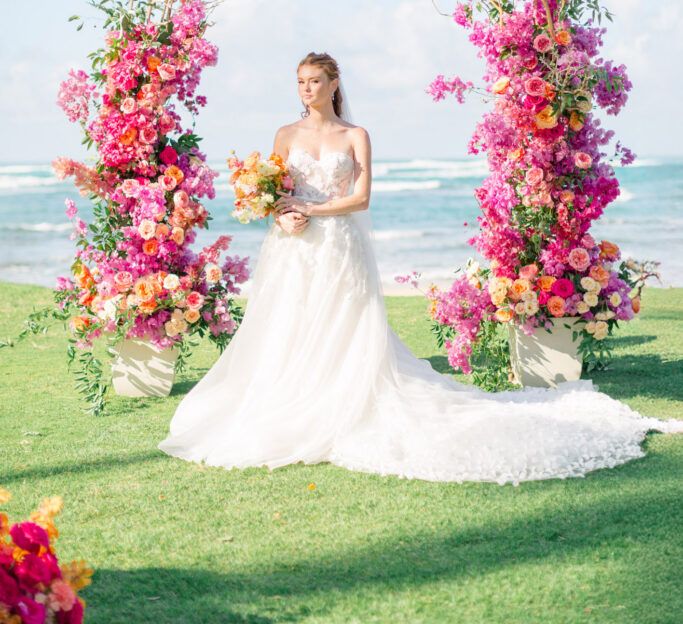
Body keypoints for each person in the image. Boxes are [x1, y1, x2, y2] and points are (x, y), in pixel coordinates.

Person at [158, 52, 680, 483]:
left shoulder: (355, 134)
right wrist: (283, 213)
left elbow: (360, 198)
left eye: (315, 81)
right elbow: (275, 192)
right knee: (292, 320)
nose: (306, 90)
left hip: (340, 241)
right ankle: (289, 397)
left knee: (341, 321)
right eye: (300, 82)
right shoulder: (285, 134)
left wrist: (312, 210)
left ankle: (341, 399)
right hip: (295, 246)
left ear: (334, 83)